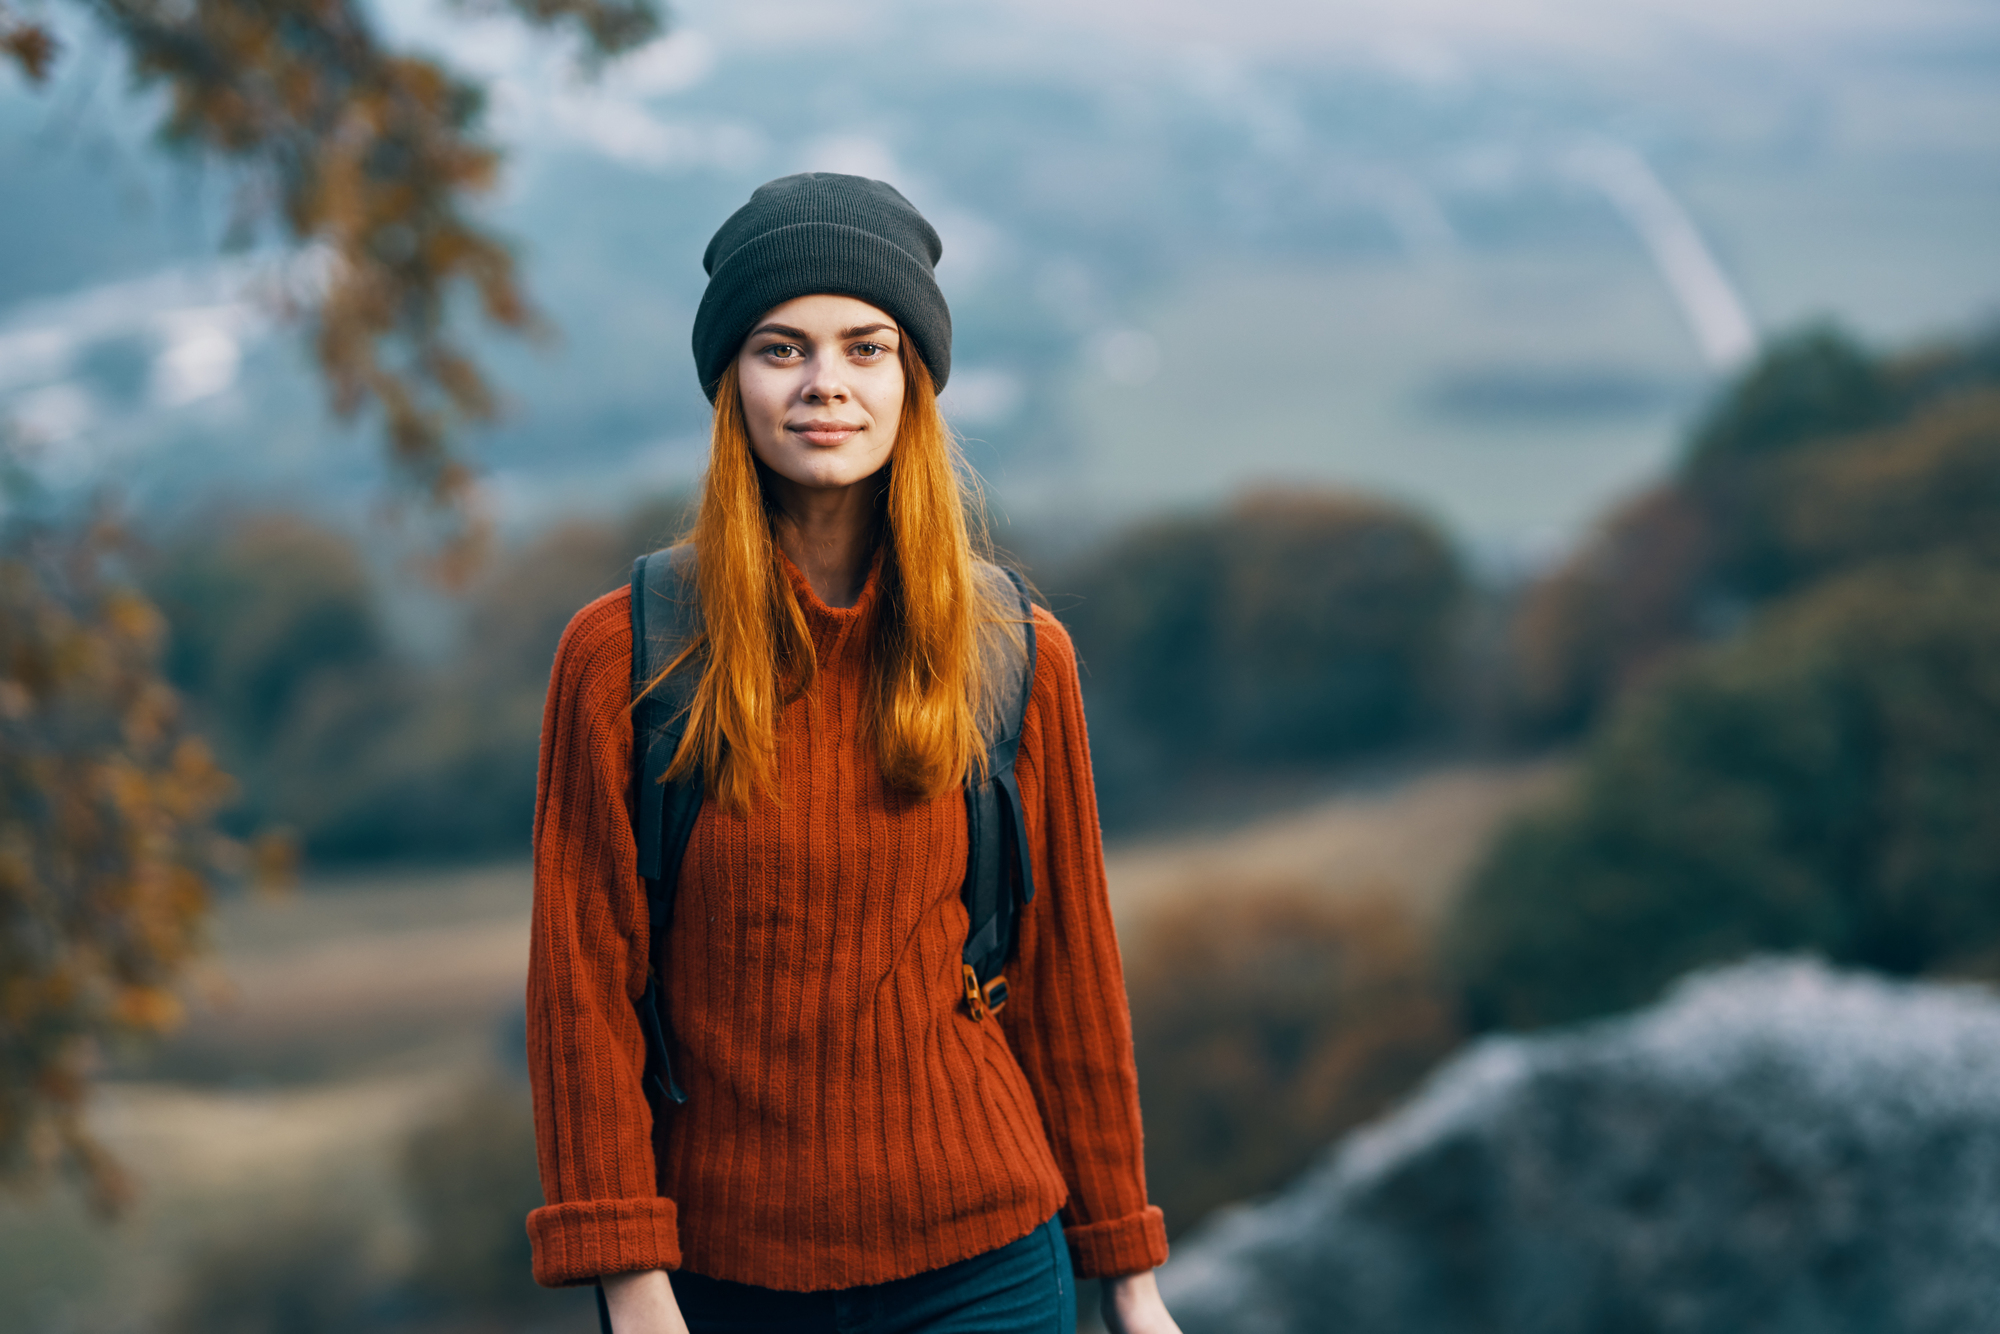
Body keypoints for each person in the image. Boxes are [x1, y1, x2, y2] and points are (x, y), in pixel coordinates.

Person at [525, 172, 1182, 1334]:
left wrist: (1126, 1273)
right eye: (782, 349)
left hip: (984, 1260)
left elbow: (1069, 973)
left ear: (912, 381)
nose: (825, 384)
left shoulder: (1015, 653)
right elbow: (583, 992)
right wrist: (631, 1283)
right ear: (731, 381)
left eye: (865, 348)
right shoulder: (623, 657)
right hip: (720, 1279)